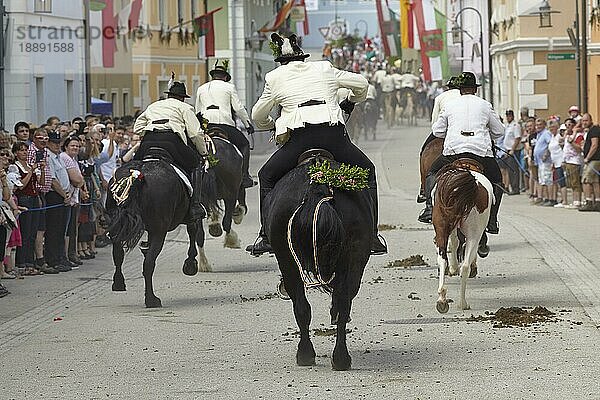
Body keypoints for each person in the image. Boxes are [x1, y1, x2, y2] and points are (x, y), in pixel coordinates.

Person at [246, 32, 387, 256]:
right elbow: (362, 84)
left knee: (266, 176)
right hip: (332, 136)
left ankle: (266, 236)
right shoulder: (324, 68)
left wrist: (271, 125)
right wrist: (350, 102)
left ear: (280, 62)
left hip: (299, 140)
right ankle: (371, 236)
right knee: (368, 170)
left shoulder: (274, 77)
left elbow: (256, 114)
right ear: (303, 57)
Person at [418, 72, 504, 234]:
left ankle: (429, 207)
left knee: (432, 172)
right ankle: (492, 219)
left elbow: (437, 131)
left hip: (454, 152)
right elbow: (499, 131)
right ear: (475, 89)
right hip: (480, 153)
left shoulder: (450, 105)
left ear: (459, 89)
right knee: (498, 181)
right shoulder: (485, 105)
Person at [133, 81, 209, 222]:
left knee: (133, 168)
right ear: (182, 97)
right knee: (196, 164)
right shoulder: (185, 107)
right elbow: (195, 134)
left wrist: (148, 129)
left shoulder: (153, 106)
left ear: (169, 95)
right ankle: (195, 206)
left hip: (149, 140)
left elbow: (137, 127)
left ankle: (127, 202)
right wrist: (204, 153)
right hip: (171, 141)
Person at [195, 61, 256, 188]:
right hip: (224, 125)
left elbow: (197, 111)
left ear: (213, 76)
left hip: (206, 126)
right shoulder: (229, 87)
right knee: (244, 144)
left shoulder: (201, 89)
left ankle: (194, 173)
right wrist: (248, 123)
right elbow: (238, 108)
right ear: (224, 77)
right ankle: (244, 176)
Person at [579, 113, 600, 211]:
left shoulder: (594, 130)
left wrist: (587, 158)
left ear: (591, 120)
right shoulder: (589, 131)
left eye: (586, 120)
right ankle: (597, 202)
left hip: (594, 159)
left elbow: (594, 145)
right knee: (595, 181)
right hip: (594, 159)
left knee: (586, 179)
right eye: (583, 121)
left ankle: (588, 202)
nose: (584, 122)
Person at [562, 118, 584, 208]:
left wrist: (572, 140)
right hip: (567, 161)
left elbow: (579, 149)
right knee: (571, 183)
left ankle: (577, 201)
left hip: (575, 161)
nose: (568, 127)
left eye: (570, 125)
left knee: (575, 182)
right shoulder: (567, 136)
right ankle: (574, 200)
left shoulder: (578, 136)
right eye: (566, 125)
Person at [499, 110, 522, 195]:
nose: (508, 117)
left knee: (513, 170)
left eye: (510, 116)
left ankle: (516, 188)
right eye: (507, 116)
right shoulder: (508, 126)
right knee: (509, 169)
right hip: (508, 150)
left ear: (512, 116)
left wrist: (512, 149)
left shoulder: (515, 126)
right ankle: (511, 187)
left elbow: (517, 138)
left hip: (514, 151)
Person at [532, 118, 553, 206]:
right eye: (537, 125)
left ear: (544, 125)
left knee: (547, 180)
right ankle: (545, 198)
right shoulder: (539, 134)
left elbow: (550, 143)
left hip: (545, 161)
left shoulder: (546, 133)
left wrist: (546, 154)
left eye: (540, 125)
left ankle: (550, 199)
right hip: (539, 162)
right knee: (542, 180)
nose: (538, 126)